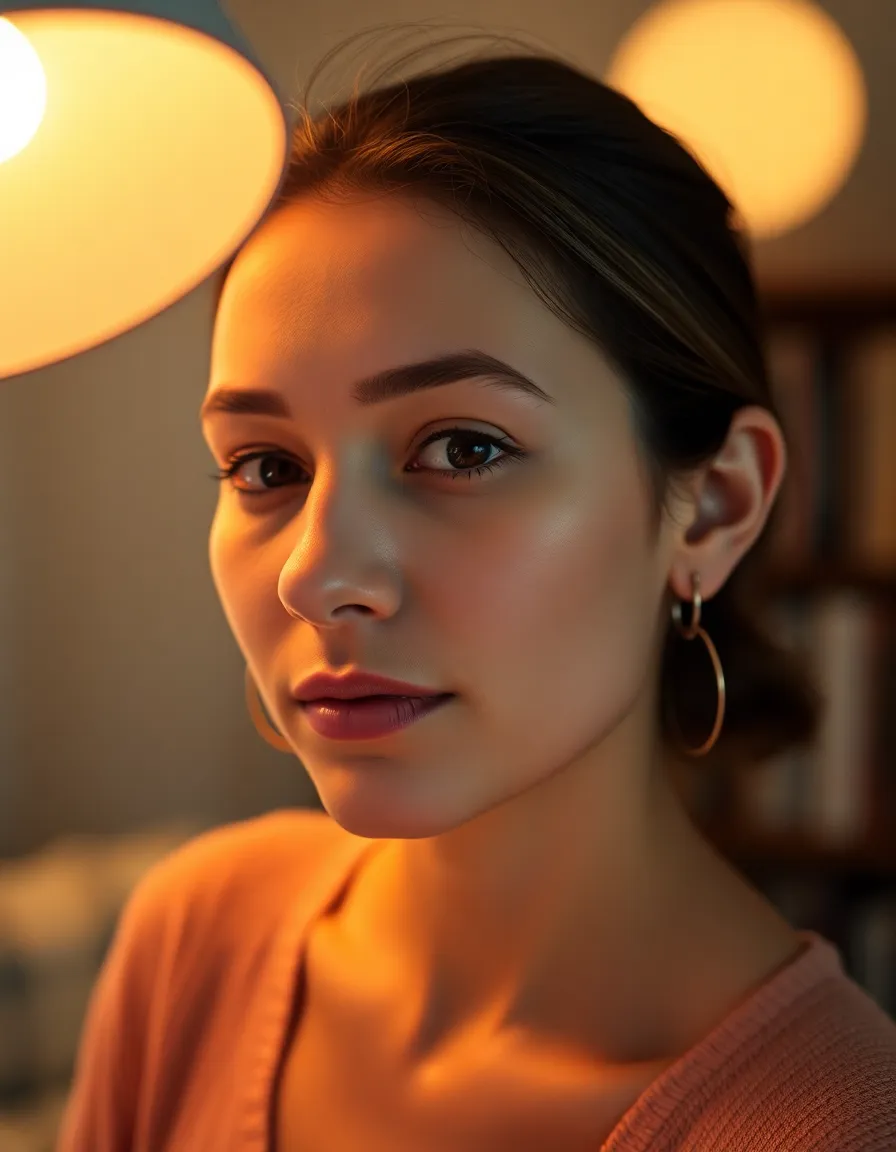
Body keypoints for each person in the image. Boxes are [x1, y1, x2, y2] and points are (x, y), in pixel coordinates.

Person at [57, 25, 896, 1152]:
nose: (317, 573)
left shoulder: (831, 1122)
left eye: (461, 449)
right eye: (266, 467)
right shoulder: (197, 937)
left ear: (711, 506)